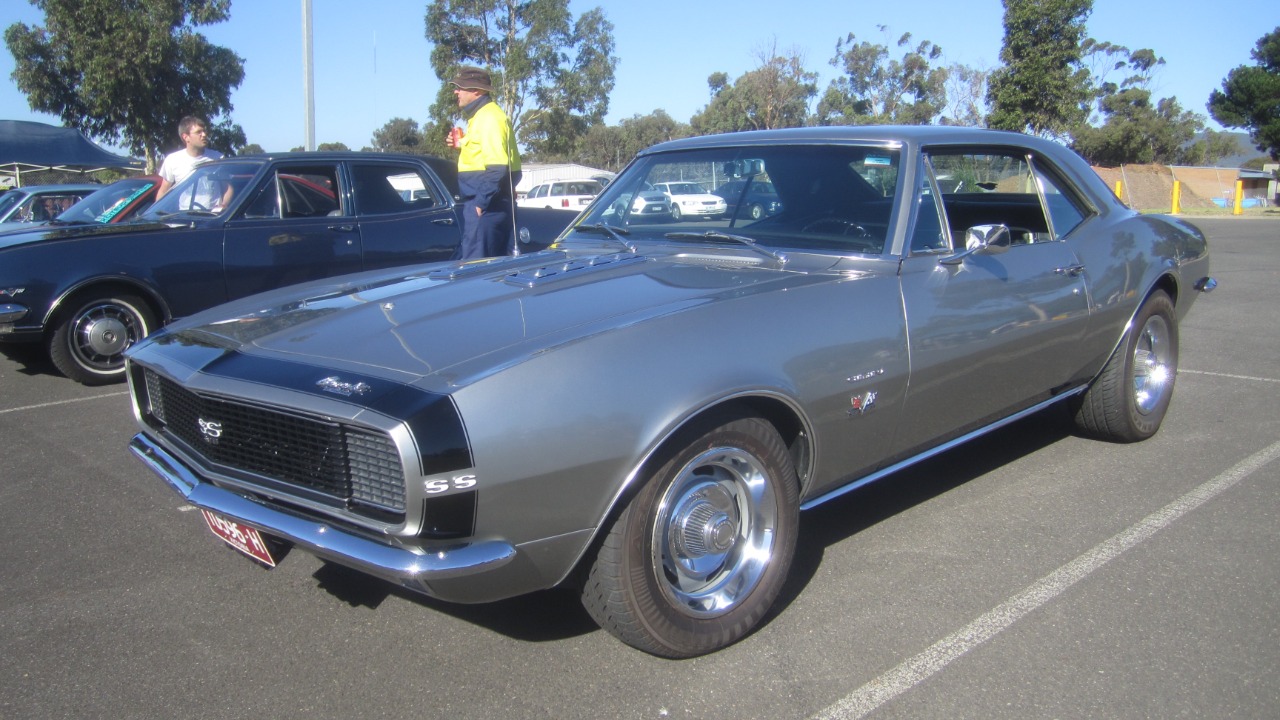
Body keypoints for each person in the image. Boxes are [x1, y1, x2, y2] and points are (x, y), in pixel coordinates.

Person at [445, 67, 522, 259]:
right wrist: (461, 144)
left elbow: (497, 167)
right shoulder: (481, 117)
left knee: (476, 273)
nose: (456, 92)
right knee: (485, 271)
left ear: (476, 91)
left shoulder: (488, 117)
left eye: (460, 88)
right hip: (488, 205)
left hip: (487, 207)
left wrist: (480, 204)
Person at [155, 116, 223, 200]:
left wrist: (223, 206)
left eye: (204, 131)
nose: (204, 135)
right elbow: (163, 191)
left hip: (215, 213)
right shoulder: (172, 160)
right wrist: (155, 212)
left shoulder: (218, 158)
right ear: (186, 137)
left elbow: (228, 188)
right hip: (184, 212)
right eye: (199, 132)